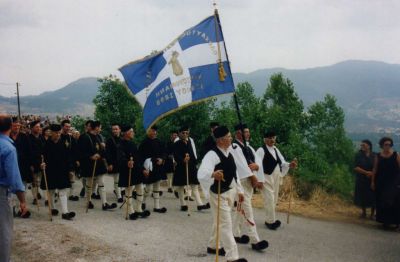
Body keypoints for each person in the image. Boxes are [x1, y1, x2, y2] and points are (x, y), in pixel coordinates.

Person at [198, 126, 247, 262]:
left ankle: (213, 246)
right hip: (217, 194)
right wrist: (213, 174)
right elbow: (201, 173)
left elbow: (235, 174)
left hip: (230, 192)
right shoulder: (212, 155)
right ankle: (232, 257)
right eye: (229, 137)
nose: (231, 139)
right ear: (220, 140)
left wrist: (240, 190)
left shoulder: (229, 153)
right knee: (225, 223)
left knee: (219, 221)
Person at [231, 124, 268, 251]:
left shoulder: (249, 148)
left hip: (249, 182)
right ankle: (255, 240)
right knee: (247, 210)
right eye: (245, 132)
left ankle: (235, 234)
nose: (247, 134)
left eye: (248, 132)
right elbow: (241, 166)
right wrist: (253, 177)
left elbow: (257, 163)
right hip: (240, 183)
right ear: (238, 134)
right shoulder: (234, 147)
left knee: (240, 210)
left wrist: (257, 171)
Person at [0, 115, 29, 262]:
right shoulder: (8, 148)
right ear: (11, 127)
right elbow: (14, 178)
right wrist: (22, 200)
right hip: (1, 193)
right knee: (3, 231)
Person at [256, 131, 297, 230]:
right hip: (265, 178)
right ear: (265, 139)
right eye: (270, 138)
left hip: (276, 177)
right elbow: (257, 165)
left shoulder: (275, 149)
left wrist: (290, 165)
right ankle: (271, 222)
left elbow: (282, 162)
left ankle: (269, 219)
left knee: (274, 199)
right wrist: (259, 180)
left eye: (273, 138)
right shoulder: (261, 150)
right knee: (269, 199)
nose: (272, 140)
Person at [78, 120, 117, 210]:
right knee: (89, 183)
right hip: (88, 164)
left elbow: (103, 151)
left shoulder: (99, 137)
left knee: (101, 183)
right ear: (96, 127)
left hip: (99, 163)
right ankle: (89, 201)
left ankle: (104, 204)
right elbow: (80, 152)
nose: (101, 129)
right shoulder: (84, 137)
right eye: (100, 127)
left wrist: (101, 152)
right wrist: (90, 157)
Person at [41, 124, 76, 220]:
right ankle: (52, 208)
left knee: (63, 191)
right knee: (51, 191)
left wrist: (70, 169)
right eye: (56, 133)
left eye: (59, 133)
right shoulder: (45, 144)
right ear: (51, 132)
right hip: (50, 170)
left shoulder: (64, 143)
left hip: (62, 170)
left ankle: (65, 212)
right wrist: (41, 164)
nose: (58, 134)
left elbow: (68, 157)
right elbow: (40, 157)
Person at [117, 125, 150, 220]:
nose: (133, 133)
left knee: (140, 189)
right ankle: (130, 211)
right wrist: (127, 162)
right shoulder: (120, 145)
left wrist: (143, 169)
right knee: (129, 190)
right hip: (127, 171)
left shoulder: (133, 144)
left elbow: (138, 158)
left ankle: (138, 209)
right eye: (132, 131)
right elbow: (120, 158)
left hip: (136, 170)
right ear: (126, 133)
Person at [173, 126, 208, 211]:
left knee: (194, 185)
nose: (185, 134)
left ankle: (200, 204)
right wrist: (183, 160)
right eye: (183, 133)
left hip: (191, 166)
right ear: (179, 134)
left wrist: (194, 162)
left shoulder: (189, 142)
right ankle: (183, 204)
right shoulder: (176, 144)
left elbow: (192, 153)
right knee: (181, 186)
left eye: (186, 133)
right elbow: (176, 155)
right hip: (181, 167)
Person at [371, 137, 400, 229]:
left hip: (394, 182)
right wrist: (372, 182)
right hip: (381, 182)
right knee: (382, 202)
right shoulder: (378, 156)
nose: (387, 146)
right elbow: (374, 169)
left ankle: (396, 222)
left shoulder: (396, 155)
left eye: (389, 144)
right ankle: (385, 221)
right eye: (385, 144)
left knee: (393, 202)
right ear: (382, 145)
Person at [138, 125, 167, 213]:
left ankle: (156, 206)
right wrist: (143, 169)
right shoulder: (144, 143)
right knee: (148, 188)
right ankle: (142, 201)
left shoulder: (159, 142)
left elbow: (164, 152)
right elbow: (140, 157)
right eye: (152, 130)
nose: (154, 132)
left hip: (158, 167)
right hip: (148, 167)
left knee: (157, 187)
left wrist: (162, 159)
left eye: (155, 131)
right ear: (148, 131)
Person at [354, 139, 375, 219]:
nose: (362, 146)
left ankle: (372, 214)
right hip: (361, 179)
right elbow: (356, 167)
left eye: (364, 145)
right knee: (362, 195)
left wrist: (372, 173)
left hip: (372, 179)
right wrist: (366, 173)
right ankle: (364, 213)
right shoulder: (358, 155)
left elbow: (377, 166)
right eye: (361, 145)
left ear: (369, 146)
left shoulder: (374, 155)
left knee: (373, 196)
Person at [60, 119, 79, 201]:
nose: (68, 128)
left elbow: (75, 150)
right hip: (60, 162)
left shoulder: (71, 138)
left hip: (70, 161)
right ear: (62, 127)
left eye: (69, 126)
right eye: (66, 126)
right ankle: (58, 194)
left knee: (72, 178)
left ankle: (72, 194)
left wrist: (77, 160)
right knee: (60, 178)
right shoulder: (58, 137)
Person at [28, 120, 45, 206]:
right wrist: (30, 164)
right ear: (31, 128)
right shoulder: (28, 139)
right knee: (34, 181)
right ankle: (35, 197)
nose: (38, 128)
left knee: (42, 180)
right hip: (33, 162)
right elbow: (27, 153)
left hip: (42, 162)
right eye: (36, 127)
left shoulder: (42, 138)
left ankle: (43, 195)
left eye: (39, 127)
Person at [106, 123, 123, 203]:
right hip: (114, 162)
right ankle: (119, 196)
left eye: (116, 129)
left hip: (122, 162)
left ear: (119, 130)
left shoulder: (122, 140)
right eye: (113, 129)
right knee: (116, 180)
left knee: (121, 179)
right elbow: (108, 153)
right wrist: (109, 163)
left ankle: (119, 191)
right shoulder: (109, 140)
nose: (115, 131)